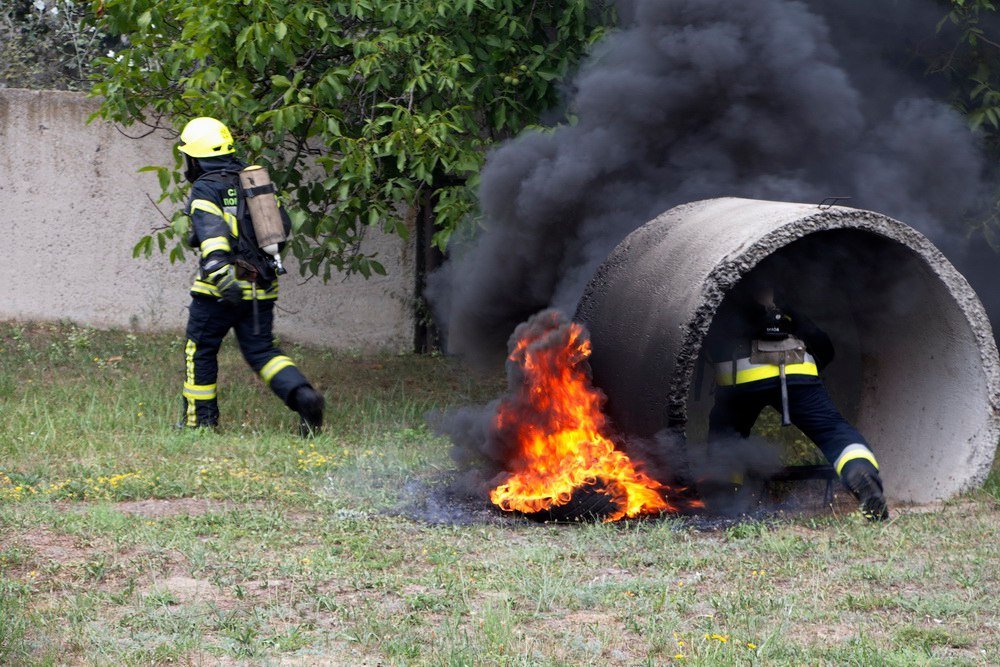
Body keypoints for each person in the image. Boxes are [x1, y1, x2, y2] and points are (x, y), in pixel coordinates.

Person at [176, 116, 325, 436]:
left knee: (199, 349)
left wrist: (220, 274)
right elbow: (279, 232)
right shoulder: (254, 179)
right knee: (262, 352)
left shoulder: (205, 187)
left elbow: (211, 232)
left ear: (195, 157)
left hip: (218, 290)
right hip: (262, 286)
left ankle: (198, 423)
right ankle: (303, 397)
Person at [702, 278, 889, 521]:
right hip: (798, 377)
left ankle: (724, 502)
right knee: (833, 431)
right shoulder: (788, 312)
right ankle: (861, 475)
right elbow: (824, 347)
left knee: (726, 437)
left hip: (740, 383)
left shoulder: (725, 307)